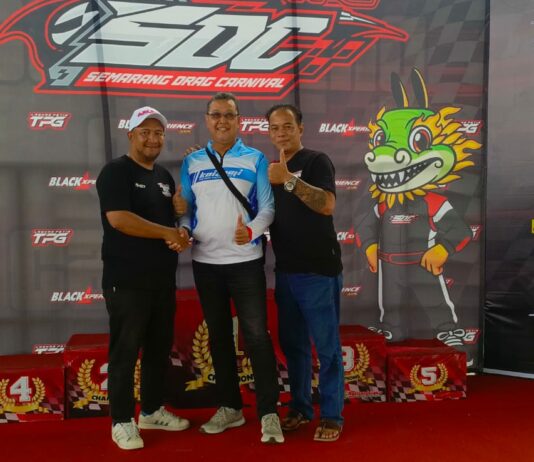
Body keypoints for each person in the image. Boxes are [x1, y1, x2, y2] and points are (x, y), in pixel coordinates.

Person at [178, 92, 284, 444]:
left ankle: (268, 412)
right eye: (216, 115)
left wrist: (251, 231)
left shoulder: (255, 159)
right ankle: (230, 407)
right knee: (219, 337)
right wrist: (184, 229)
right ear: (206, 120)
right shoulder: (192, 161)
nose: (222, 120)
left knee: (256, 337)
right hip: (206, 264)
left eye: (229, 115)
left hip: (245, 264)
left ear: (239, 121)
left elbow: (268, 208)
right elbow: (186, 209)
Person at [96, 106, 191, 450]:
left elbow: (166, 229)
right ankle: (122, 420)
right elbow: (120, 219)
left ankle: (150, 410)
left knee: (158, 350)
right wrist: (168, 231)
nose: (153, 139)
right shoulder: (115, 171)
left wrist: (180, 229)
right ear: (131, 135)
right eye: (145, 132)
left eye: (158, 133)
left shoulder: (163, 177)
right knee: (125, 351)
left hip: (161, 280)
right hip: (126, 280)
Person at [265, 103, 344, 442]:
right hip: (286, 272)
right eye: (274, 128)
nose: (281, 133)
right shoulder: (270, 169)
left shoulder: (316, 161)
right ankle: (300, 407)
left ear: (300, 128)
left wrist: (289, 181)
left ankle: (332, 415)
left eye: (287, 126)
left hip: (318, 271)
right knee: (293, 346)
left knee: (326, 348)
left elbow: (327, 205)